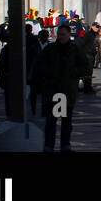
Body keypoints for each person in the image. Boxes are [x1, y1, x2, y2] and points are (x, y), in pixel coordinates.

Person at [33, 23, 84, 151]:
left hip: (67, 90)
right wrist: (48, 75)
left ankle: (65, 144)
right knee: (51, 120)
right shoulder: (51, 49)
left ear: (68, 35)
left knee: (66, 120)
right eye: (59, 34)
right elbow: (39, 64)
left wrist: (74, 73)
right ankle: (49, 144)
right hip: (54, 90)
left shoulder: (74, 49)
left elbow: (84, 65)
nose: (60, 37)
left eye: (63, 35)